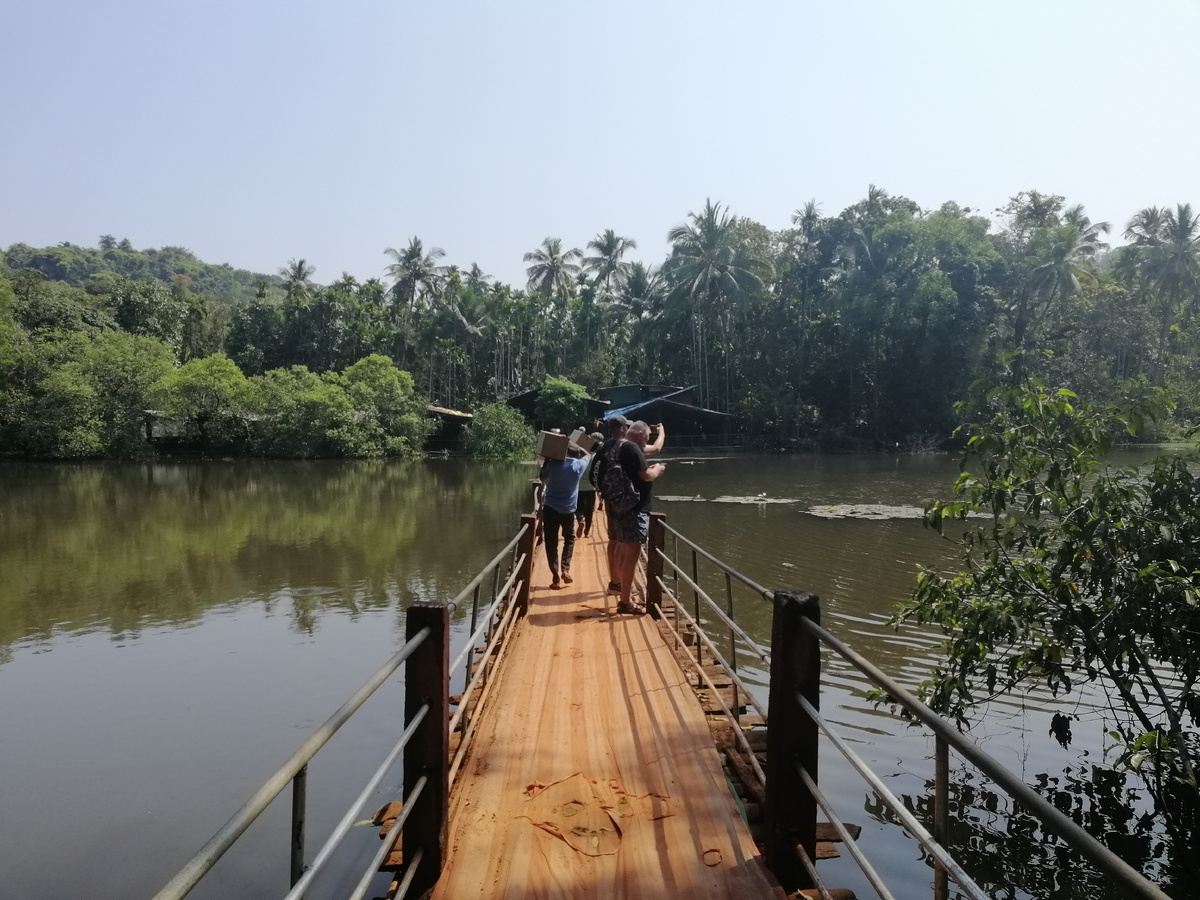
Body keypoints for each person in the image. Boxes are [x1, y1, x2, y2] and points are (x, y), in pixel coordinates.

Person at [595, 416, 665, 595]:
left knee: (620, 547)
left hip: (616, 503)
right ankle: (624, 599)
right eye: (647, 437)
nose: (647, 441)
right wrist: (657, 470)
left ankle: (617, 585)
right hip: (632, 507)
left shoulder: (612, 447)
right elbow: (646, 475)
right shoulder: (631, 447)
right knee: (630, 554)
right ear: (640, 433)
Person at [539, 442, 589, 589]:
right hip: (568, 510)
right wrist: (574, 443)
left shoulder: (553, 465)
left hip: (550, 508)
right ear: (577, 454)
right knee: (569, 538)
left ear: (564, 453)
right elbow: (588, 454)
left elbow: (543, 477)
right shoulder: (579, 466)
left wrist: (554, 453)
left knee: (551, 542)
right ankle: (565, 569)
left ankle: (555, 576)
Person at [575, 432, 605, 538]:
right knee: (590, 509)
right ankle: (587, 532)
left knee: (579, 507)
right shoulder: (597, 457)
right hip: (592, 487)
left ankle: (580, 519)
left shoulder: (582, 457)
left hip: (580, 487)